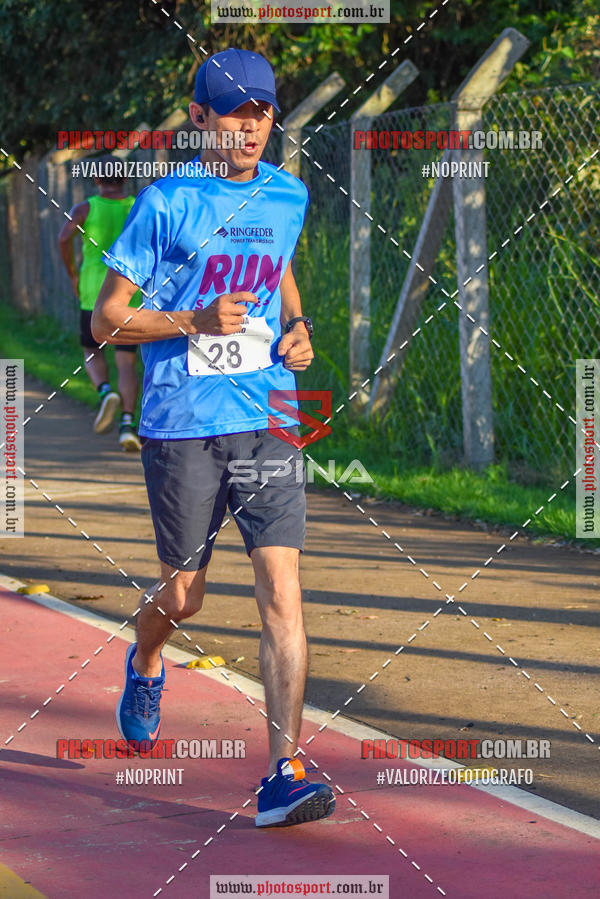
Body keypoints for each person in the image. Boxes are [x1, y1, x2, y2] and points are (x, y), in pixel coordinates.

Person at [92, 49, 335, 827]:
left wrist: (296, 327)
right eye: (233, 111)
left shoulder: (288, 193)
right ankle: (146, 656)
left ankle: (284, 770)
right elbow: (106, 319)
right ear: (198, 118)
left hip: (269, 416)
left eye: (261, 111)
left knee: (281, 593)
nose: (250, 124)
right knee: (184, 596)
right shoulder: (166, 203)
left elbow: (280, 266)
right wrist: (193, 321)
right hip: (181, 424)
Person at [58, 161, 142, 451]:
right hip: (130, 292)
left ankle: (105, 392)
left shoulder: (85, 208)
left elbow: (63, 238)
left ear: (96, 178)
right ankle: (128, 425)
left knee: (92, 350)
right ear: (125, 178)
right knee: (127, 361)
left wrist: (72, 272)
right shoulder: (137, 206)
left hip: (93, 290)